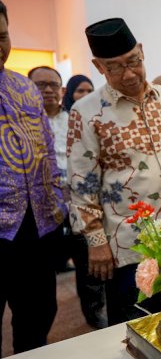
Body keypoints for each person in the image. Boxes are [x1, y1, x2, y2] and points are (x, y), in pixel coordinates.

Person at [67, 18, 161, 325]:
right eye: (115, 66)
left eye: (134, 61)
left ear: (142, 51)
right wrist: (96, 242)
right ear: (98, 66)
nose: (129, 73)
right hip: (130, 245)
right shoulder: (87, 113)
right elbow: (82, 184)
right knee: (139, 324)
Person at [0, 1, 67, 353]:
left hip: (35, 227)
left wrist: (56, 206)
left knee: (38, 314)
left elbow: (47, 149)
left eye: (2, 36)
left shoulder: (25, 88)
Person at [31, 68, 107, 329]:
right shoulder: (24, 123)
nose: (49, 90)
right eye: (41, 85)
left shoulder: (74, 119)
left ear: (62, 90)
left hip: (76, 206)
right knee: (39, 278)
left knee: (87, 266)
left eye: (54, 85)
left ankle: (94, 314)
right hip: (38, 212)